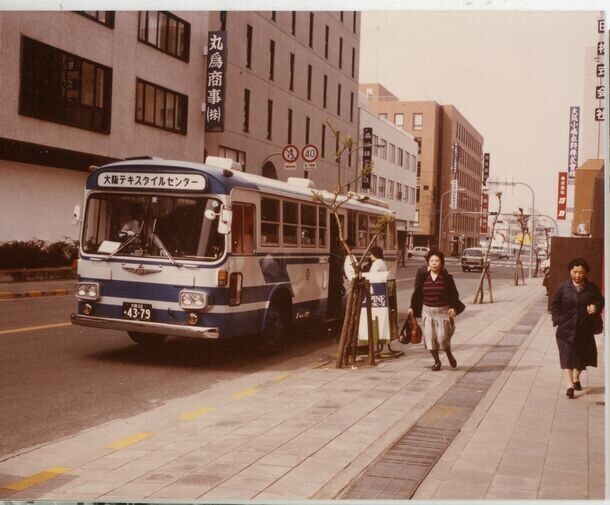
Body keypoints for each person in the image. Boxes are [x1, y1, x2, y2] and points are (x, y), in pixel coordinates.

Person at [551, 258, 604, 399]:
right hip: (565, 329)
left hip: (584, 329)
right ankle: (569, 386)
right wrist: (558, 319)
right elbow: (555, 304)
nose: (578, 275)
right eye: (575, 272)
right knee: (567, 356)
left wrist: (596, 307)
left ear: (585, 273)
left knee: (581, 357)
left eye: (581, 272)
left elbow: (600, 300)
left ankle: (576, 377)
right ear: (570, 272)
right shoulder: (563, 287)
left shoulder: (592, 287)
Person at [408, 250, 465, 371]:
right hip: (427, 311)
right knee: (430, 338)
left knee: (442, 338)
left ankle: (449, 354)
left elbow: (454, 293)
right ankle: (437, 361)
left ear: (442, 262)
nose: (434, 263)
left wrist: (453, 307)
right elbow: (417, 292)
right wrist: (412, 307)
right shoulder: (423, 274)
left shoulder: (446, 277)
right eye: (431, 261)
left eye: (437, 261)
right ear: (428, 262)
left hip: (443, 311)